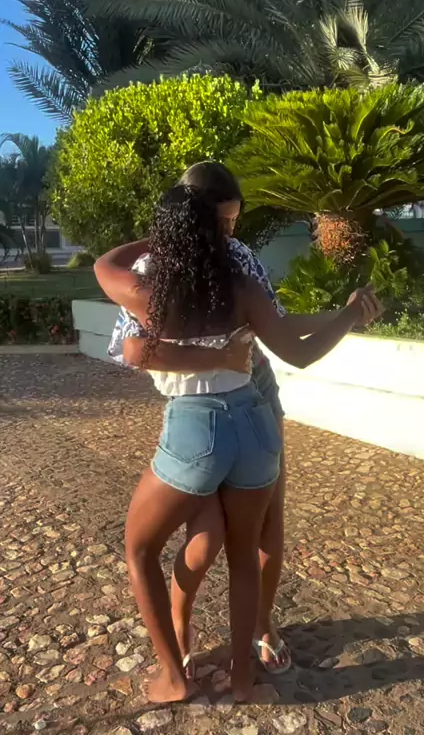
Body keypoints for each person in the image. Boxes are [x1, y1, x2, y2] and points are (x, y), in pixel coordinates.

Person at [95, 182, 383, 704]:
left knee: (139, 548)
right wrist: (347, 314)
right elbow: (298, 352)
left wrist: (163, 236)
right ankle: (244, 678)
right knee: (245, 554)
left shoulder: (148, 290)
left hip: (196, 428)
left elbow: (105, 269)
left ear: (168, 235)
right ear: (216, 231)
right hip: (256, 421)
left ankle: (174, 678)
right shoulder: (242, 285)